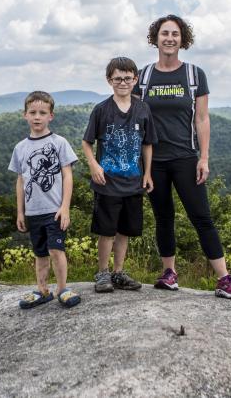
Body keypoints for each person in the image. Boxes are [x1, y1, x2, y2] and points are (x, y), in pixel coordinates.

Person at [133, 14, 231, 300]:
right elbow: (134, 118)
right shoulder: (144, 76)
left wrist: (204, 158)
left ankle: (224, 279)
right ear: (155, 38)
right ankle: (169, 274)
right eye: (164, 33)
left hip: (185, 157)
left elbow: (202, 119)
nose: (169, 38)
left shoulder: (195, 75)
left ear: (182, 39)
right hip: (153, 161)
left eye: (175, 34)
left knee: (201, 217)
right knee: (163, 217)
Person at [82, 57, 157, 293]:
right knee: (106, 231)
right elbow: (86, 142)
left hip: (133, 182)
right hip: (107, 183)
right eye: (117, 78)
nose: (123, 82)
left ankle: (118, 273)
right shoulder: (102, 110)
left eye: (127, 78)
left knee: (125, 230)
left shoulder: (143, 109)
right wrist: (94, 165)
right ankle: (102, 273)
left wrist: (148, 173)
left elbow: (147, 144)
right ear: (109, 80)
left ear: (135, 79)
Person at [9, 91, 82, 309]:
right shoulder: (20, 148)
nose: (37, 117)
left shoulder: (59, 143)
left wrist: (65, 207)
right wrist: (20, 212)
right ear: (25, 115)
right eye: (33, 112)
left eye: (42, 112)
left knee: (56, 250)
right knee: (40, 253)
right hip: (33, 212)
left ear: (51, 115)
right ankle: (42, 290)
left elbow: (68, 175)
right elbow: (21, 181)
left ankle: (62, 289)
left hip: (54, 210)